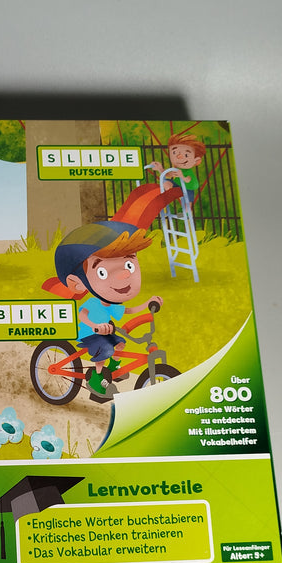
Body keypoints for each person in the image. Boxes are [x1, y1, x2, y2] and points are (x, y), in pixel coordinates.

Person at [54, 220, 162, 396]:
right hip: (89, 333)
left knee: (120, 343)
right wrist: (95, 326)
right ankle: (96, 379)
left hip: (106, 331)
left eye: (129, 265)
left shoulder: (111, 304)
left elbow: (128, 310)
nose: (123, 275)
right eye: (102, 272)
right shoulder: (93, 303)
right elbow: (82, 315)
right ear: (78, 283)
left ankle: (113, 367)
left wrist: (148, 304)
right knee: (105, 349)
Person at [149, 133, 206, 203]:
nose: (179, 156)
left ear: (196, 161)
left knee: (187, 203)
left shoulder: (187, 171)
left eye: (186, 155)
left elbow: (188, 180)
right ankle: (167, 194)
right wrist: (159, 168)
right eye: (174, 152)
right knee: (166, 182)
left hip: (188, 187)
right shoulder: (176, 168)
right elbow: (168, 174)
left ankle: (187, 209)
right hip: (178, 184)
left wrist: (181, 176)